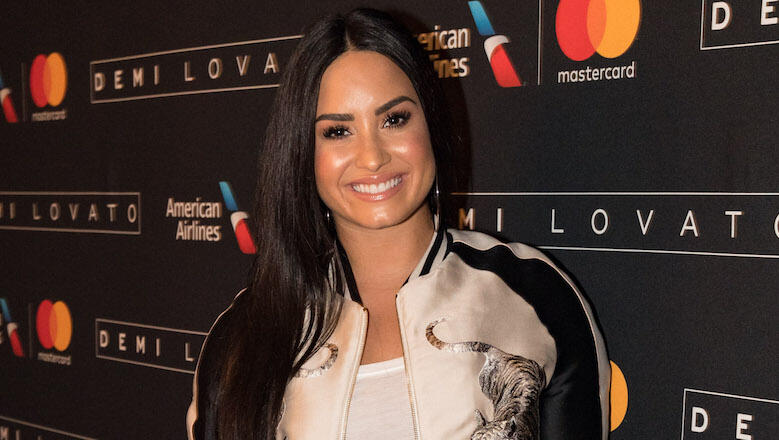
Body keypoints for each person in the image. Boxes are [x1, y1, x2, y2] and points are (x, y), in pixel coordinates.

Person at [187, 8, 610, 440]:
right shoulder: (244, 334)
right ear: (303, 152)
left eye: (394, 119)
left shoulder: (534, 295)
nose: (372, 157)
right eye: (337, 131)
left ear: (431, 124)